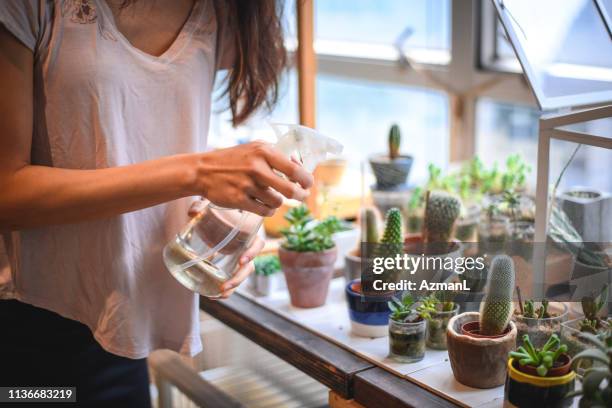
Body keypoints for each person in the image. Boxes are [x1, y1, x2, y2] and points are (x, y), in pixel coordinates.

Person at [0, 0, 310, 405]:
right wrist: (197, 172)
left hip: (120, 324)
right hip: (23, 321)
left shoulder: (225, 13)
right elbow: (7, 193)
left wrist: (229, 214)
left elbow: (141, 128)